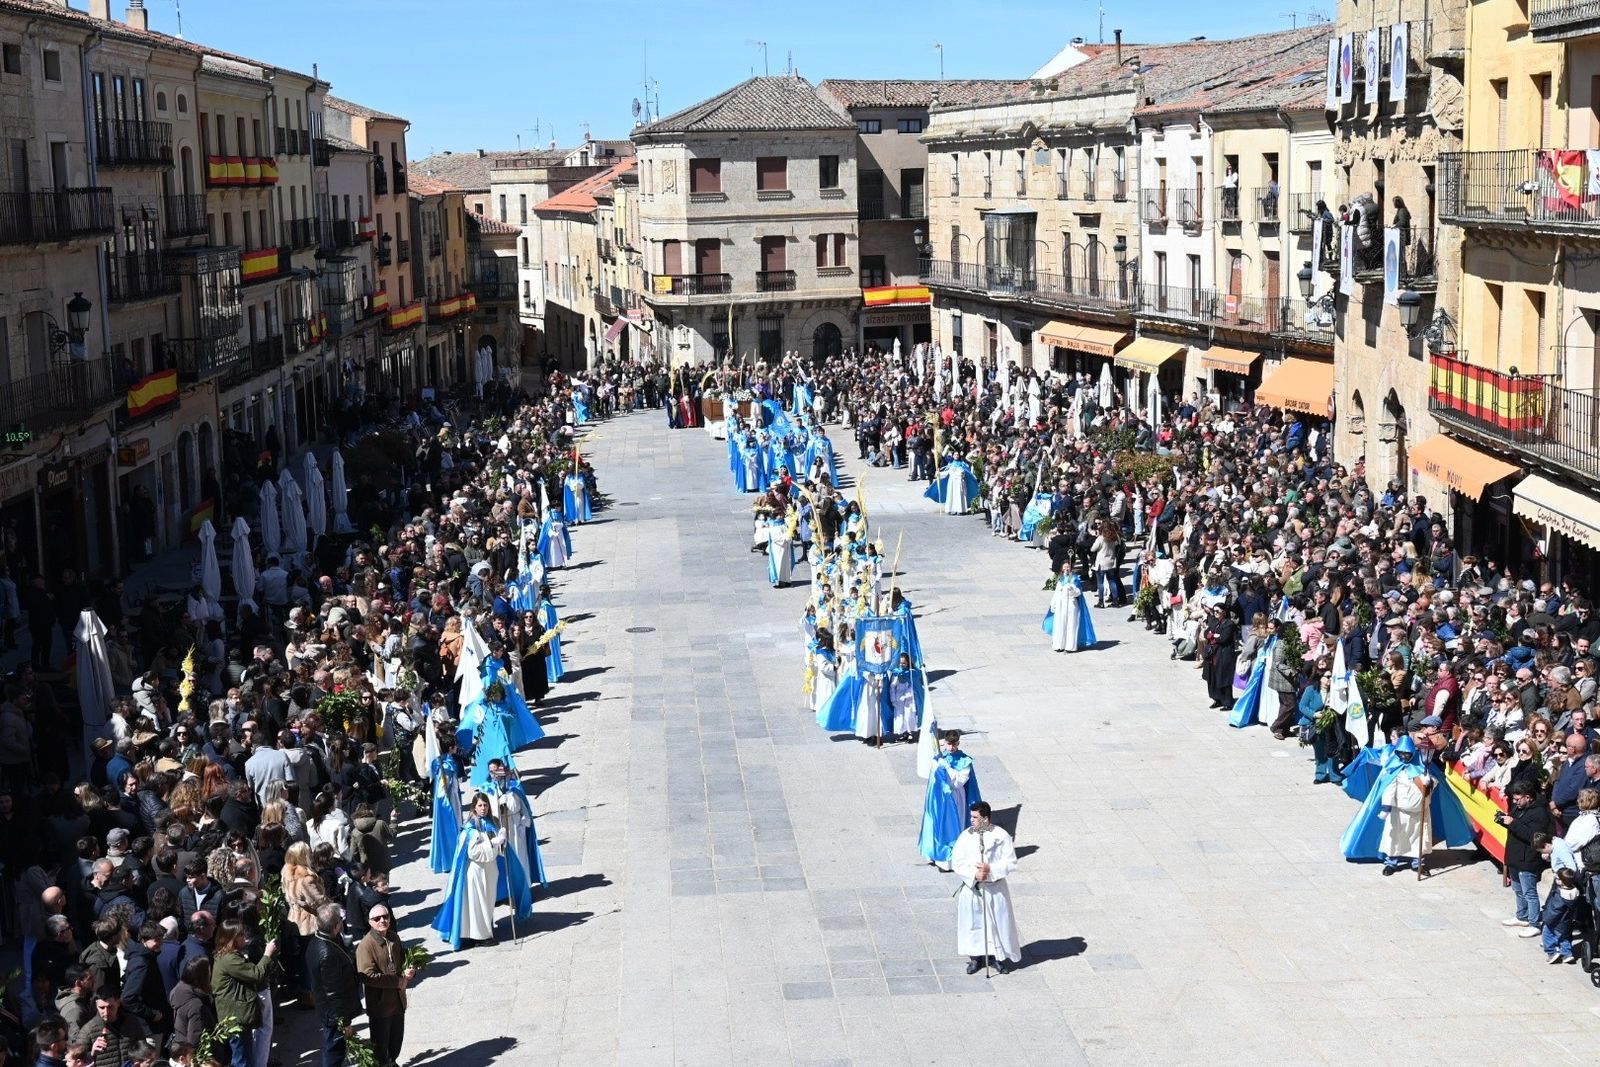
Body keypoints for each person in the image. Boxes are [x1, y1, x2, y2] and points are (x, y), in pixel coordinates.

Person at [1340, 735, 1473, 874]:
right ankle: (1391, 863)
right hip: (1399, 812)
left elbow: (1433, 782)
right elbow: (1389, 788)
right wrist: (1386, 808)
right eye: (1401, 753)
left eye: (1407, 753)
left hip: (1419, 812)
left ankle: (1418, 863)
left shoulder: (1422, 766)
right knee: (1395, 839)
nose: (1404, 756)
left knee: (1419, 839)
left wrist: (1430, 782)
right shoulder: (1394, 768)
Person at [431, 793, 533, 950]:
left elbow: (500, 850)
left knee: (487, 902)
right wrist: (492, 842)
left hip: (489, 871)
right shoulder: (470, 828)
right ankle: (480, 937)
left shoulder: (491, 823)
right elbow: (473, 852)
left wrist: (503, 840)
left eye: (485, 805)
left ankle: (483, 931)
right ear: (474, 807)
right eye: (480, 805)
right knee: (478, 904)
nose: (483, 808)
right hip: (476, 872)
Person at [950, 802, 1022, 974]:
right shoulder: (965, 836)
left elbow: (1011, 862)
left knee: (996, 923)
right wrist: (974, 874)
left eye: (975, 817)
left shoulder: (1001, 836)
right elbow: (957, 863)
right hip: (974, 888)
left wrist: (991, 869)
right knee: (974, 923)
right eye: (971, 816)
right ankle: (975, 958)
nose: (971, 820)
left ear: (986, 818)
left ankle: (995, 957)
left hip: (995, 889)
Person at [212, 918, 278, 1067]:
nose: (245, 937)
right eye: (241, 935)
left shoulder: (229, 955)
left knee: (244, 1056)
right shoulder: (230, 959)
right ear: (231, 939)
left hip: (237, 1015)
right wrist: (267, 954)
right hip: (235, 1018)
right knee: (241, 1060)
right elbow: (256, 974)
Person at [356, 904, 415, 1067]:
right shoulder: (365, 946)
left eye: (386, 916)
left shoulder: (394, 938)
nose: (382, 920)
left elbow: (402, 960)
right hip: (380, 1006)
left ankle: (392, 1061)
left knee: (396, 1039)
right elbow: (367, 976)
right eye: (377, 918)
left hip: (397, 1001)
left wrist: (410, 970)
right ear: (370, 922)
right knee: (381, 1045)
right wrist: (396, 981)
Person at [305, 903, 361, 1067]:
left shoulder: (318, 938)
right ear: (336, 926)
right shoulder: (328, 954)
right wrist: (344, 1023)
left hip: (327, 1008)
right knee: (334, 1051)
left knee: (335, 1048)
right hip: (332, 1013)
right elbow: (334, 992)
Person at [918, 731, 981, 871]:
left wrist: (946, 767)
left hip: (955, 798)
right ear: (944, 743)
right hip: (940, 798)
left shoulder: (965, 761)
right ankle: (936, 855)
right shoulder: (940, 757)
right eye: (948, 744)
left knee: (952, 826)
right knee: (937, 824)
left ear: (958, 743)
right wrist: (937, 765)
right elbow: (934, 779)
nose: (951, 747)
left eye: (954, 744)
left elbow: (958, 783)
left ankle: (951, 860)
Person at [1498, 781, 1552, 934]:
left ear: (1528, 797)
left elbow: (1535, 837)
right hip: (1515, 856)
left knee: (1529, 892)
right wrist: (1504, 821)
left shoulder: (1540, 813)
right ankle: (1522, 916)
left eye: (1517, 799)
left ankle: (1534, 923)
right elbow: (1516, 826)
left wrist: (1513, 823)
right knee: (1517, 888)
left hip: (1528, 858)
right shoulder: (1519, 807)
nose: (1514, 802)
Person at [485, 757, 547, 889]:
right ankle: (508, 891)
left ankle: (523, 888)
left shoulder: (514, 786)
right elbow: (487, 810)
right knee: (504, 860)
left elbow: (521, 808)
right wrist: (497, 802)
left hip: (515, 824)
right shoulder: (488, 788)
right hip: (500, 826)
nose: (494, 774)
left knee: (519, 857)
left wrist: (509, 797)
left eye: (496, 770)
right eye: (491, 771)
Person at [1042, 568, 1096, 653]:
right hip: (1061, 605)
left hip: (1071, 604)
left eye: (1068, 567)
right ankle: (1059, 645)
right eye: (1065, 567)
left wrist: (1072, 589)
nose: (1066, 569)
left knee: (1071, 625)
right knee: (1060, 625)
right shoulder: (1061, 579)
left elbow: (1078, 592)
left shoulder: (1075, 579)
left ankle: (1070, 646)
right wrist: (1053, 603)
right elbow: (1057, 593)